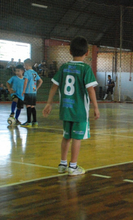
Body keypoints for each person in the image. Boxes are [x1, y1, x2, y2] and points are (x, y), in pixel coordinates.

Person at [43, 36, 100, 176]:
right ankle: (72, 167)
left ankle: (62, 164)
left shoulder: (64, 67)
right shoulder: (86, 69)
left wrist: (49, 103)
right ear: (87, 53)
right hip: (79, 111)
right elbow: (90, 89)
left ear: (70, 52)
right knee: (77, 138)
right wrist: (96, 107)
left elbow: (53, 87)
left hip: (66, 109)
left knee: (66, 137)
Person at [21, 59, 43, 127]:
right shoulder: (35, 73)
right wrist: (37, 88)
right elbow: (41, 81)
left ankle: (29, 122)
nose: (24, 67)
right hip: (34, 92)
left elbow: (26, 81)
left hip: (28, 91)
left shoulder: (27, 72)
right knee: (32, 106)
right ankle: (35, 121)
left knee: (28, 106)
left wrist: (24, 90)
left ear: (27, 65)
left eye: (24, 65)